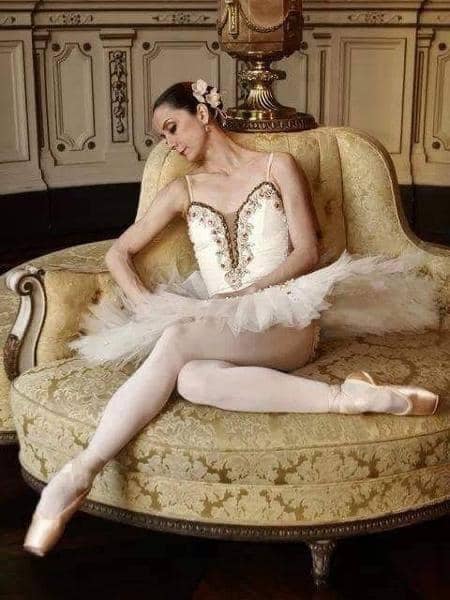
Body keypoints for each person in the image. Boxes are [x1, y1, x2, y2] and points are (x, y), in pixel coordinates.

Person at [23, 79, 440, 557]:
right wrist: (144, 304)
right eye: (161, 136)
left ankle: (80, 472)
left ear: (203, 114)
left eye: (172, 127)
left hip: (285, 315)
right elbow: (119, 253)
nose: (169, 142)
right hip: (222, 324)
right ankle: (351, 398)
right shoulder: (183, 189)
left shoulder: (277, 166)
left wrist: (244, 295)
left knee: (179, 338)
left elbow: (307, 251)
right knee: (193, 380)